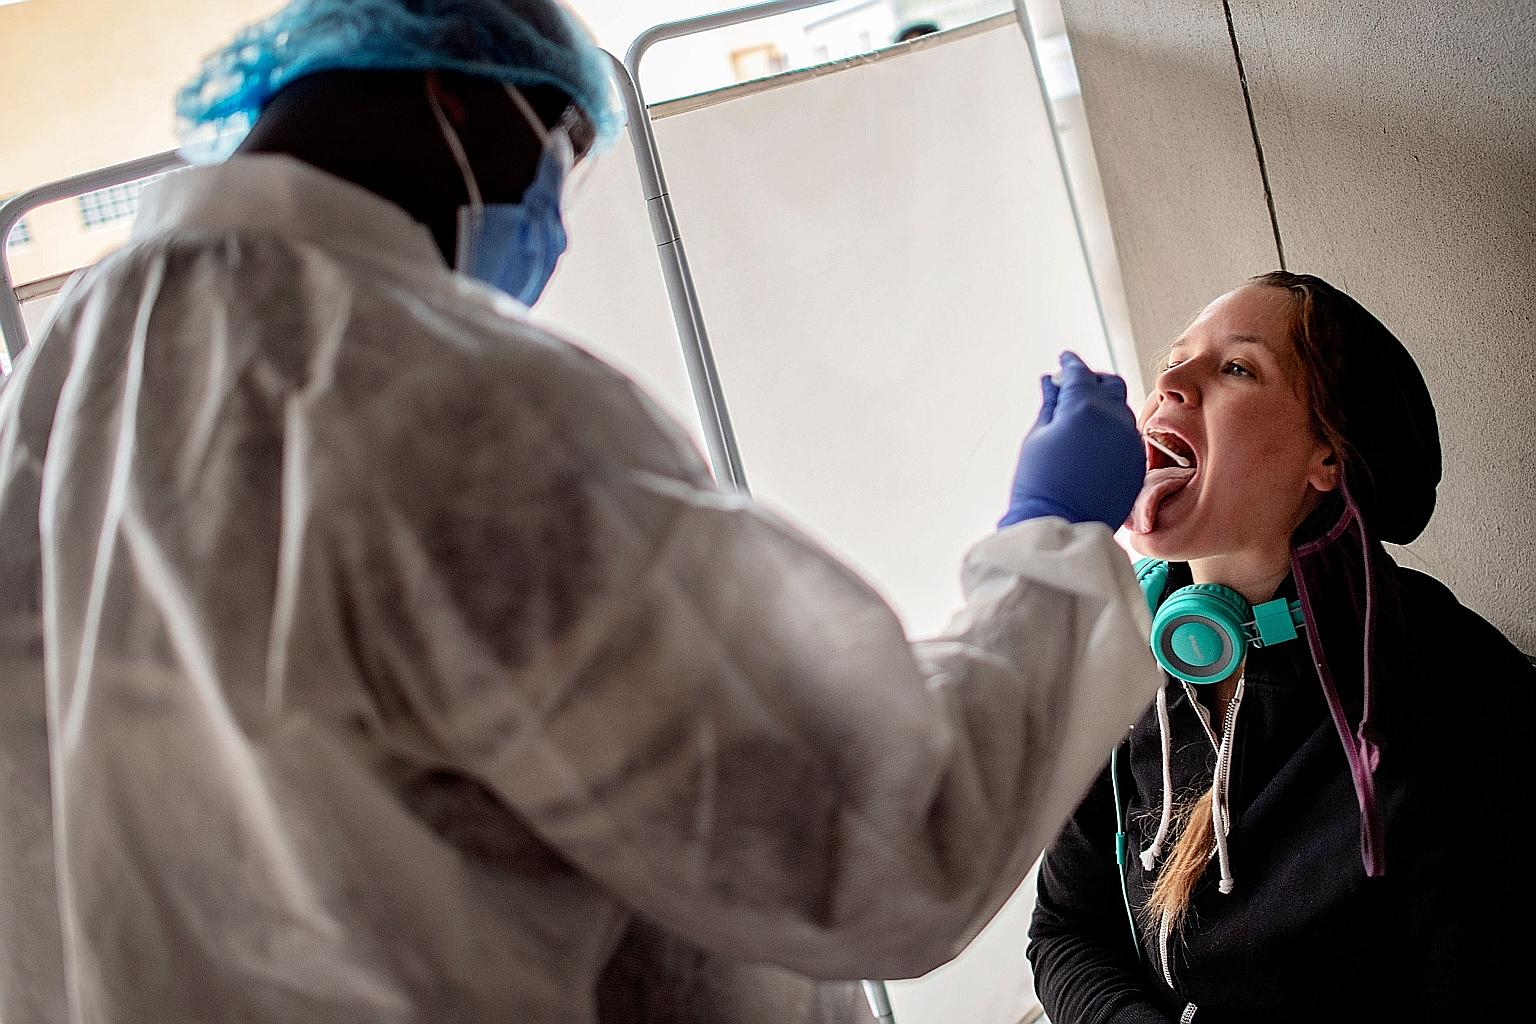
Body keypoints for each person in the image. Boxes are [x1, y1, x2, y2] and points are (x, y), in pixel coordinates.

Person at [0, 2, 1162, 1022]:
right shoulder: (448, 396)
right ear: (459, 92)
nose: (550, 223)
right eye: (560, 156)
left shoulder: (56, 386)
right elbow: (871, 836)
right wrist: (1049, 541)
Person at [1027, 272, 1533, 1023]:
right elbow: (1063, 931)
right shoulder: (1122, 656)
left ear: (1326, 456)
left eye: (1237, 367)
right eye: (1174, 359)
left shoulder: (1452, 693)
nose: (1170, 383)